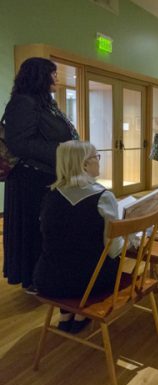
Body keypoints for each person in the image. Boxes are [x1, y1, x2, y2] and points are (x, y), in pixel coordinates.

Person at [3, 57, 79, 293]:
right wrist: (64, 152)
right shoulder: (22, 103)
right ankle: (33, 279)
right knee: (33, 233)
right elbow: (20, 144)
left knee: (47, 230)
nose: (56, 78)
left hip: (47, 176)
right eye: (52, 74)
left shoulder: (46, 103)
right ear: (38, 76)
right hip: (30, 180)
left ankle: (45, 276)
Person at [34, 141, 122, 333]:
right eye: (96, 157)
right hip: (90, 282)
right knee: (109, 259)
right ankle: (81, 314)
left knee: (66, 253)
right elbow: (113, 249)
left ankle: (67, 315)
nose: (99, 161)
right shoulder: (103, 197)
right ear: (84, 165)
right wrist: (130, 236)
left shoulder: (50, 196)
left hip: (48, 279)